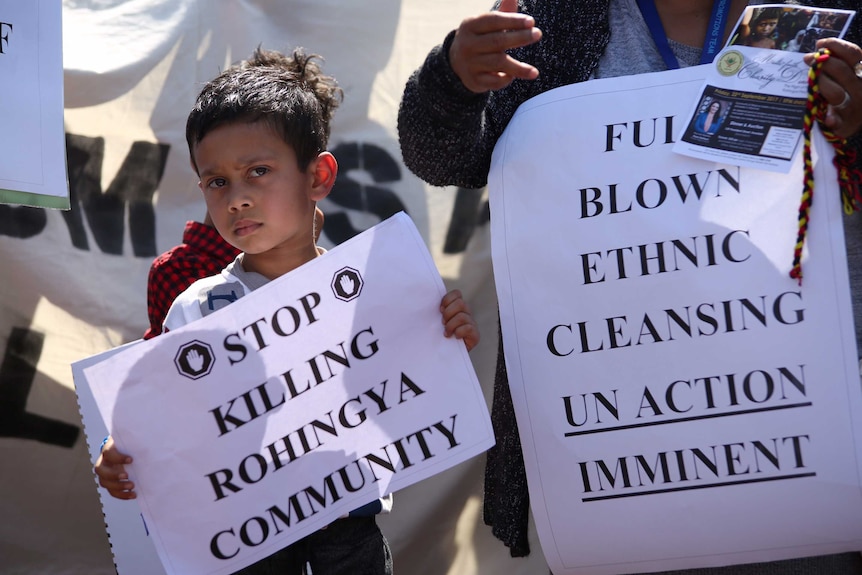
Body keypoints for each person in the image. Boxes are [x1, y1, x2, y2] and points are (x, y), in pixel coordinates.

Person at [398, 0, 862, 573]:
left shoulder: (833, 15)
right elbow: (442, 158)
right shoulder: (555, 19)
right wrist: (454, 77)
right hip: (623, 444)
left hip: (807, 434)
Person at [97, 46, 480, 575]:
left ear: (318, 176)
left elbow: (410, 393)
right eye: (217, 182)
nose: (237, 199)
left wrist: (444, 337)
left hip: (351, 525)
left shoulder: (375, 291)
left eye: (258, 171)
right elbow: (164, 413)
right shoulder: (196, 308)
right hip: (246, 539)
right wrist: (123, 447)